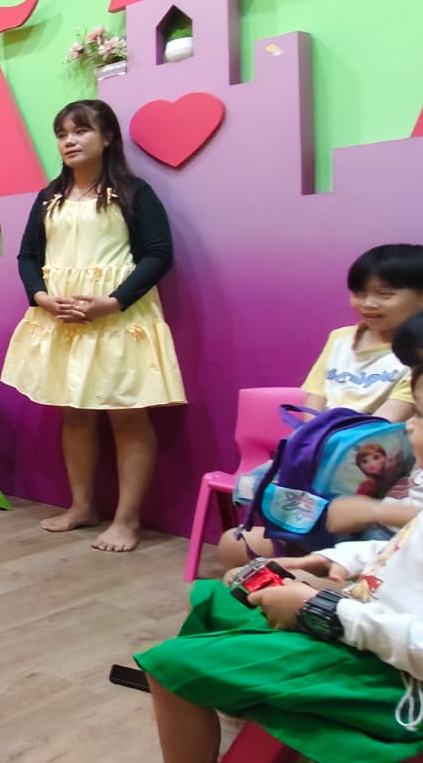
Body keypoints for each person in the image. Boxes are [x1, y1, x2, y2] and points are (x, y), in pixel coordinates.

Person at [135, 312, 423, 763]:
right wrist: (330, 561)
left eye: (421, 416)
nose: (408, 427)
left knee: (168, 665)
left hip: (399, 683)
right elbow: (404, 543)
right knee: (217, 597)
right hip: (369, 625)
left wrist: (324, 610)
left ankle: (218, 689)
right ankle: (234, 695)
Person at [0, 98, 186, 553]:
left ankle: (127, 520)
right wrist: (41, 298)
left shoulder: (134, 193)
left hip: (119, 319)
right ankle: (82, 506)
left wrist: (114, 301)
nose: (69, 141)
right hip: (63, 319)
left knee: (128, 415)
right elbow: (28, 256)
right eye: (62, 133)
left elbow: (158, 254)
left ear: (107, 137)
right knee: (75, 412)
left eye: (80, 131)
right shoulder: (50, 197)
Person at [221, 244, 423, 566]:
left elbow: (386, 424)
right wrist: (311, 441)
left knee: (349, 527)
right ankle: (300, 551)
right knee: (250, 499)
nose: (368, 303)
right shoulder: (340, 339)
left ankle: (325, 563)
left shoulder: (414, 356)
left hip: (370, 460)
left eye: (384, 294)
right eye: (359, 293)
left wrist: (336, 453)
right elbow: (314, 396)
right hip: (319, 448)